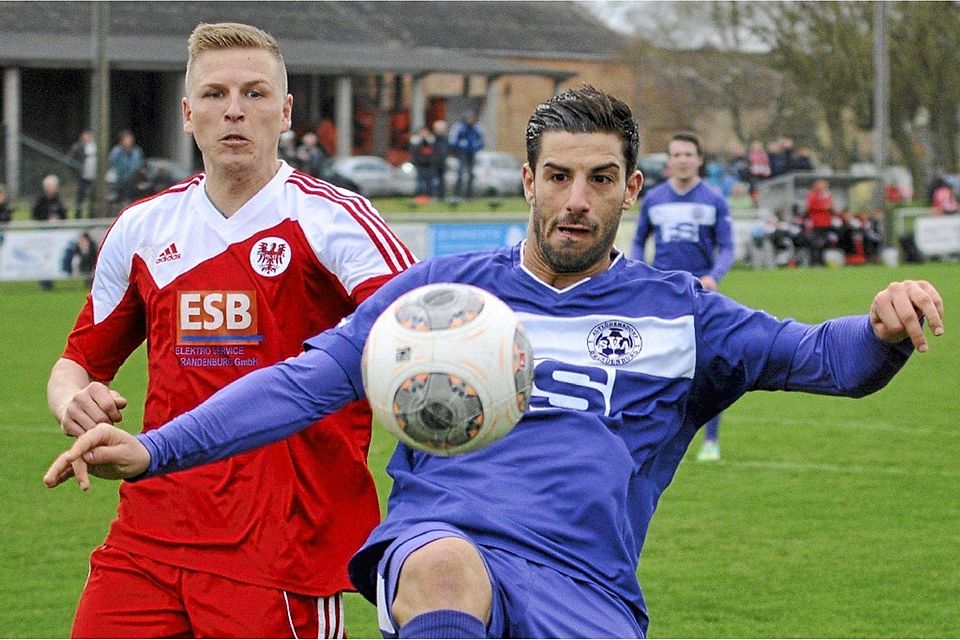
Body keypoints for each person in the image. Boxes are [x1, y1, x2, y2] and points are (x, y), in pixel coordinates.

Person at [45, 85, 945, 639]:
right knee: (446, 565)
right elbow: (303, 380)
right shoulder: (438, 297)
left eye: (600, 179)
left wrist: (886, 327)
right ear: (526, 181)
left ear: (633, 189)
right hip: (438, 548)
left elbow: (826, 359)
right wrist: (158, 449)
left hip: (586, 590)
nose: (577, 200)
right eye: (558, 176)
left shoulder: (682, 317)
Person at [44, 22, 414, 638]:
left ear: (286, 111)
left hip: (281, 545)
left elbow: (422, 334)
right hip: (149, 534)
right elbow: (76, 363)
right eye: (215, 95)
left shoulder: (336, 222)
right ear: (188, 114)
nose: (235, 111)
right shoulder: (142, 228)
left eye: (255, 93)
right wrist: (72, 403)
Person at [630, 132, 734, 461]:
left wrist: (713, 277)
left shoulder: (714, 200)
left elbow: (728, 247)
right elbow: (638, 241)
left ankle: (711, 441)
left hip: (701, 297)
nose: (683, 160)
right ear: (669, 161)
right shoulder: (655, 199)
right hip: (662, 297)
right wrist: (642, 271)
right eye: (676, 155)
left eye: (689, 154)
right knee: (656, 368)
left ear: (699, 160)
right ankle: (653, 438)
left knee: (707, 368)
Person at [32, 174, 69, 291]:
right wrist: (47, 219)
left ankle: (51, 281)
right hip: (43, 235)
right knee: (43, 258)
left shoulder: (58, 200)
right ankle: (44, 282)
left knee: (54, 258)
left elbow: (64, 214)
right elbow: (35, 214)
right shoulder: (40, 200)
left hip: (55, 235)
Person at [450, 110, 484, 199]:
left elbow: (481, 141)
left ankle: (469, 196)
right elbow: (453, 141)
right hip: (462, 154)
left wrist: (476, 146)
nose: (470, 120)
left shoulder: (476, 128)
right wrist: (460, 147)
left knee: (471, 175)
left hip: (471, 154)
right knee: (460, 174)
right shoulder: (459, 127)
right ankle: (457, 195)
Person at [107, 130, 144, 208]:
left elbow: (139, 164)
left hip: (132, 179)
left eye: (130, 139)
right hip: (120, 179)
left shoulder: (136, 151)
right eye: (126, 139)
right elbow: (113, 165)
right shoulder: (116, 152)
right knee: (117, 199)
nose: (128, 141)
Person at [68, 129, 97, 217]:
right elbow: (71, 160)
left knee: (93, 197)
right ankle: (78, 215)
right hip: (82, 176)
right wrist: (77, 172)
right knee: (80, 197)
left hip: (93, 176)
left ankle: (91, 216)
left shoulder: (94, 146)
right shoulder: (77, 147)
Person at [409, 125, 435, 199]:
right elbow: (414, 152)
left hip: (429, 164)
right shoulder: (415, 141)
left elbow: (434, 152)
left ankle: (429, 197)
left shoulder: (431, 140)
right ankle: (419, 196)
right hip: (419, 164)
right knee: (420, 181)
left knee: (429, 182)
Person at [431, 119, 451, 201]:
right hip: (433, 162)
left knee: (442, 180)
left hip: (442, 162)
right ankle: (432, 196)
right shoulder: (432, 139)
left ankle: (441, 197)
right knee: (433, 180)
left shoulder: (445, 139)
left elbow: (447, 149)